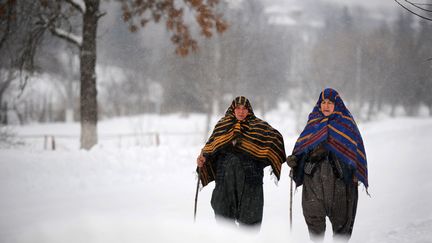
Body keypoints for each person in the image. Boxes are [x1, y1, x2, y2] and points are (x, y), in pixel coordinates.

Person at [287, 88, 368, 242]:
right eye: (323, 102)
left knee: (341, 229)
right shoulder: (314, 122)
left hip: (340, 184)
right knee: (314, 225)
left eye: (330, 103)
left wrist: (355, 175)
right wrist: (295, 160)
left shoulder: (347, 124)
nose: (326, 106)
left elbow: (356, 154)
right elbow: (302, 148)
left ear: (337, 104)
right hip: (313, 182)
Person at [196, 96, 286, 230]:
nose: (241, 111)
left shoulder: (259, 126)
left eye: (244, 109)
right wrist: (203, 158)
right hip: (225, 178)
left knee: (250, 220)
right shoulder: (223, 125)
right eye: (238, 108)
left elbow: (276, 141)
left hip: (250, 179)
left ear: (249, 110)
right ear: (233, 109)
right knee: (223, 217)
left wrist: (262, 159)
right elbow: (211, 147)